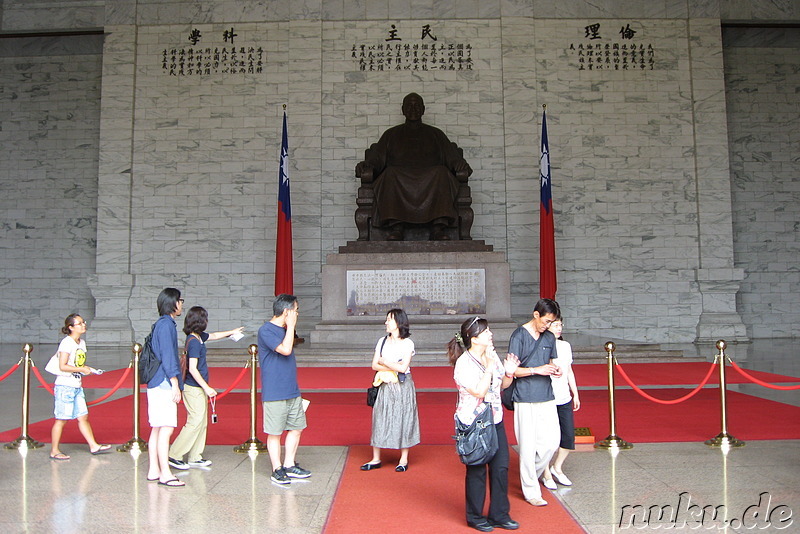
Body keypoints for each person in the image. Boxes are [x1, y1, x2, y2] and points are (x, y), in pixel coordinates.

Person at [356, 92, 472, 241]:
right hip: (398, 178)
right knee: (390, 173)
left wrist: (460, 164)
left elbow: (452, 158)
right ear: (403, 110)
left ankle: (438, 227)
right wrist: (366, 165)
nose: (413, 109)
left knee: (442, 172)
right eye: (409, 106)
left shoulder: (436, 134)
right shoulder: (391, 134)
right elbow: (377, 159)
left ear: (423, 109)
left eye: (417, 105)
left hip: (431, 178)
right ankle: (397, 226)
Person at [447, 316, 521, 532]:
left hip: (495, 419)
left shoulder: (492, 355)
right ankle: (475, 516)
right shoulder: (463, 363)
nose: (491, 334)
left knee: (501, 468)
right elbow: (479, 392)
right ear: (474, 338)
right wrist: (489, 367)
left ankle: (500, 514)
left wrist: (509, 371)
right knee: (477, 470)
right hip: (473, 423)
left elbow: (501, 386)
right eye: (486, 332)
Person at [168, 306, 244, 470]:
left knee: (201, 422)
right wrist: (207, 387)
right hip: (193, 387)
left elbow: (215, 335)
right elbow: (193, 368)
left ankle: (195, 456)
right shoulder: (194, 342)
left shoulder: (196, 336)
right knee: (194, 422)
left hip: (197, 387)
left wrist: (232, 331)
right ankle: (174, 454)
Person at [508, 298, 562, 506]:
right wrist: (535, 370)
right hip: (525, 396)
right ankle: (531, 490)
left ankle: (532, 475)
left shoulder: (549, 338)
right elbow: (512, 370)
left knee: (551, 443)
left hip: (546, 395)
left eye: (551, 322)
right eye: (546, 321)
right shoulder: (519, 336)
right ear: (536, 314)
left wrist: (554, 369)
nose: (547, 326)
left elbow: (551, 362)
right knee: (528, 446)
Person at [258, 294, 311, 485]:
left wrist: (289, 327)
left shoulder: (284, 329)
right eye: (295, 311)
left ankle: (289, 464)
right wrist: (290, 326)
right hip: (275, 390)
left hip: (291, 389)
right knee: (275, 432)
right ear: (287, 311)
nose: (297, 314)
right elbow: (285, 349)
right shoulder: (266, 330)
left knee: (297, 428)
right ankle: (277, 468)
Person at [360, 309, 420, 472]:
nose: (386, 322)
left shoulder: (407, 343)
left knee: (404, 417)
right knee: (380, 416)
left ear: (399, 322)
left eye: (389, 320)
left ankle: (403, 458)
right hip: (384, 384)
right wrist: (393, 365)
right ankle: (376, 457)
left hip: (402, 385)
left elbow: (403, 368)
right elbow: (374, 365)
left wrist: (385, 361)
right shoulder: (382, 341)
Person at [49, 313, 111, 460]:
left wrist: (85, 368)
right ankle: (54, 450)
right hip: (65, 386)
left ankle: (93, 445)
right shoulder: (66, 343)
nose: (84, 325)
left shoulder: (81, 343)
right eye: (80, 323)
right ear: (71, 327)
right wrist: (81, 370)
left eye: (83, 322)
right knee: (61, 419)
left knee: (83, 416)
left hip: (76, 385)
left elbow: (77, 363)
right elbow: (63, 366)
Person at [145, 287, 186, 487]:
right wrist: (175, 383)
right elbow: (169, 357)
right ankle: (165, 473)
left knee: (157, 428)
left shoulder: (159, 324)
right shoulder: (167, 325)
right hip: (163, 381)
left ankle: (154, 469)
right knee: (167, 428)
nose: (181, 304)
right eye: (180, 300)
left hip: (154, 380)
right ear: (173, 303)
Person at [541, 314, 580, 490]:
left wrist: (575, 394)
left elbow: (569, 371)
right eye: (555, 325)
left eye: (560, 325)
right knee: (548, 439)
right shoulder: (541, 346)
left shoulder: (565, 346)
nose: (559, 328)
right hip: (547, 397)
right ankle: (546, 474)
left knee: (568, 437)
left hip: (564, 397)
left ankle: (557, 468)